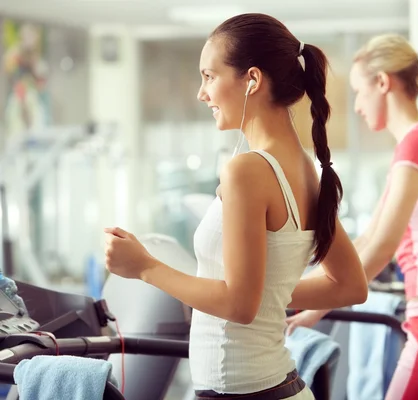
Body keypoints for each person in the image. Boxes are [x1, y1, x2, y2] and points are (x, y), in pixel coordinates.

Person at [103, 13, 368, 400]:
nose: (201, 92)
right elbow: (350, 285)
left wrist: (145, 267)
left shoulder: (248, 170)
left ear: (252, 80)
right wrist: (270, 290)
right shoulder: (305, 171)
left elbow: (240, 305)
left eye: (209, 76)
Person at [286, 33, 418, 400]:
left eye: (358, 92)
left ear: (382, 83)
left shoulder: (416, 144)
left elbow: (383, 246)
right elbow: (366, 240)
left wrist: (276, 293)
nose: (357, 106)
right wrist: (313, 310)